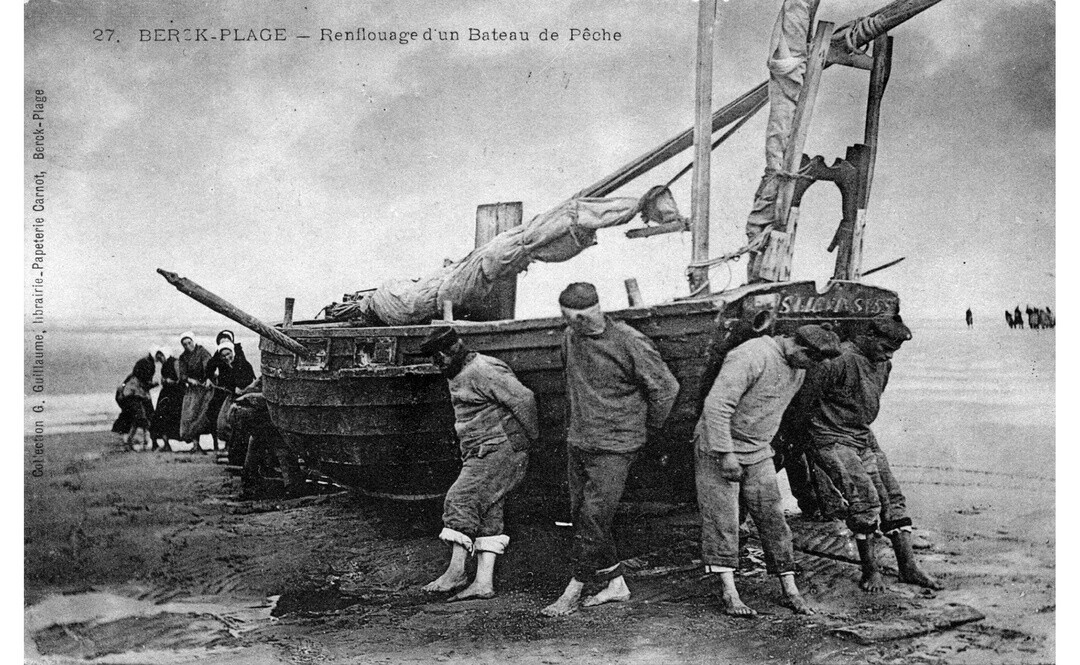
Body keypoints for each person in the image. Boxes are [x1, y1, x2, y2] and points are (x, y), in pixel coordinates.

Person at [541, 283, 680, 617]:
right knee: (581, 516)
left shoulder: (629, 341)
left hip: (616, 446)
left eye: (583, 317)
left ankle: (573, 591)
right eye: (571, 319)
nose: (578, 324)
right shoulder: (569, 337)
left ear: (597, 308)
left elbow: (666, 388)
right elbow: (573, 382)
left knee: (593, 518)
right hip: (581, 441)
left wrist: (648, 430)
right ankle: (615, 583)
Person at [694, 324, 839, 616]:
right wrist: (726, 454)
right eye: (811, 360)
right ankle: (730, 594)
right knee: (723, 519)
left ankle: (790, 589)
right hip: (719, 445)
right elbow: (717, 405)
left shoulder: (798, 367)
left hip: (758, 449)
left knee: (773, 518)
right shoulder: (752, 355)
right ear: (798, 347)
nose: (812, 368)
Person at [804, 317, 943, 593]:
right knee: (864, 500)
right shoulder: (838, 360)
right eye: (885, 346)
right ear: (867, 335)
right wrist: (818, 440)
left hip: (861, 435)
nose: (889, 354)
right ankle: (870, 571)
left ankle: (908, 567)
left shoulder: (883, 364)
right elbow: (804, 403)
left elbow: (867, 401)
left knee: (892, 497)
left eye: (895, 349)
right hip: (831, 437)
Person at [418, 327, 539, 602]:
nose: (437, 366)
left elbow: (524, 399)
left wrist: (529, 439)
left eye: (439, 359)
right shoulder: (459, 371)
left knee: (460, 500)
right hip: (480, 450)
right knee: (489, 512)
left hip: (499, 448)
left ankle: (456, 573)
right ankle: (483, 583)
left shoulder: (483, 370)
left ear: (451, 351)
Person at [231, 377, 307, 500]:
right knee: (279, 445)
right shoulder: (274, 378)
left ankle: (251, 484)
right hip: (257, 414)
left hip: (252, 412)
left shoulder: (271, 376)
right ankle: (292, 486)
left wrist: (248, 394)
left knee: (259, 442)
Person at [206, 338, 257, 452]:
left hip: (245, 397)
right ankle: (231, 450)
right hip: (232, 397)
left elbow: (250, 379)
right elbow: (224, 382)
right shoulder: (224, 367)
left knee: (241, 425)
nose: (226, 358)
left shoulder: (243, 364)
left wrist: (242, 388)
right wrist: (233, 388)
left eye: (228, 354)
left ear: (232, 352)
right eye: (223, 356)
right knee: (223, 424)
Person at [112, 350, 158, 450]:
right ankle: (141, 442)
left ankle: (131, 442)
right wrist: (153, 384)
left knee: (135, 418)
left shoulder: (133, 376)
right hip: (133, 396)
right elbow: (144, 384)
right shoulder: (147, 366)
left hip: (128, 396)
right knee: (142, 418)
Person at [177, 331, 214, 453]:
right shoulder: (183, 357)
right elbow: (182, 374)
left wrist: (209, 378)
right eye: (185, 344)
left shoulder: (202, 352)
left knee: (205, 415)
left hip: (205, 388)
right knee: (191, 415)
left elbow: (209, 366)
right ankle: (195, 444)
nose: (188, 346)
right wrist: (189, 379)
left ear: (193, 341)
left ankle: (216, 445)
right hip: (193, 391)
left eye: (189, 342)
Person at [150, 347, 183, 451]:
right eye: (158, 358)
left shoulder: (175, 362)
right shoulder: (164, 365)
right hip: (166, 393)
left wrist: (171, 381)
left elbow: (180, 378)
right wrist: (164, 381)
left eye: (161, 356)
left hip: (176, 394)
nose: (160, 359)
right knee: (160, 417)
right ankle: (166, 444)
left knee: (175, 417)